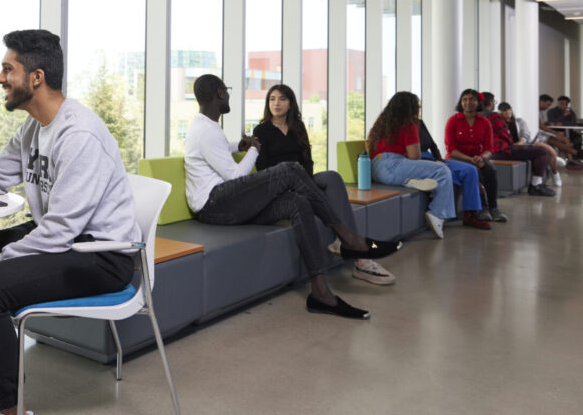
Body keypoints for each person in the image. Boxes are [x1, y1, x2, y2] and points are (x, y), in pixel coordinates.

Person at [0, 30, 139, 415]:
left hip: (100, 255)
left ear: (35, 77)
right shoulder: (34, 129)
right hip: (63, 240)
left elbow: (60, 230)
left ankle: (11, 410)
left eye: (9, 69)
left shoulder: (79, 134)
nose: (0, 78)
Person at [186, 74, 399, 321]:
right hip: (214, 203)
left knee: (298, 203)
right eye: (227, 89)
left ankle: (321, 293)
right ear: (220, 93)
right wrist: (254, 148)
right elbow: (234, 176)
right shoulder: (205, 131)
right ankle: (350, 238)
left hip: (226, 202)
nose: (229, 94)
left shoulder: (209, 127)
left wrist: (239, 146)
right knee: (290, 169)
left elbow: (218, 150)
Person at [252, 84, 396, 285]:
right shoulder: (261, 130)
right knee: (321, 194)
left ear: (290, 103)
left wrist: (307, 183)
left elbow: (308, 161)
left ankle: (344, 243)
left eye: (282, 99)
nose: (276, 103)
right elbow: (263, 169)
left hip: (303, 180)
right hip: (280, 187)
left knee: (332, 177)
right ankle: (361, 258)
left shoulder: (298, 127)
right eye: (272, 99)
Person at [365, 92, 454, 239]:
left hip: (376, 170)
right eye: (417, 105)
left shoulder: (380, 124)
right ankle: (437, 214)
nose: (419, 107)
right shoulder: (408, 124)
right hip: (393, 165)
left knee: (425, 172)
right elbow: (415, 156)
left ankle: (410, 181)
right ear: (410, 108)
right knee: (443, 170)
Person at [445, 89, 507, 223]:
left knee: (490, 169)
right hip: (457, 158)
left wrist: (482, 157)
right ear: (461, 103)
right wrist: (470, 159)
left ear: (478, 102)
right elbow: (451, 149)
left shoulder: (484, 122)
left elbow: (489, 148)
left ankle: (493, 208)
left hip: (478, 157)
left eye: (472, 99)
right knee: (475, 171)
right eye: (465, 99)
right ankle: (482, 208)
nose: (468, 102)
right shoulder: (453, 121)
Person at [417, 120, 491, 229]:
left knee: (471, 170)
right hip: (419, 161)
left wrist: (438, 159)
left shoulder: (419, 123)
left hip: (432, 158)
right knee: (452, 176)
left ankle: (470, 214)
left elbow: (433, 145)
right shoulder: (397, 125)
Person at [481, 93, 555, 197]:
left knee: (534, 151)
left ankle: (537, 183)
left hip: (487, 152)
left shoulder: (477, 116)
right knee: (541, 151)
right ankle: (536, 185)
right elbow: (505, 136)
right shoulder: (494, 116)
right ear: (490, 103)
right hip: (500, 151)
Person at [498, 102, 563, 187]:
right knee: (542, 152)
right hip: (512, 148)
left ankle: (555, 174)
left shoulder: (519, 121)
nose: (507, 112)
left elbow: (526, 134)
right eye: (503, 110)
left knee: (550, 150)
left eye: (508, 109)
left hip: (527, 143)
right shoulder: (499, 123)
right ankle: (552, 161)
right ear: (500, 112)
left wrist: (520, 143)